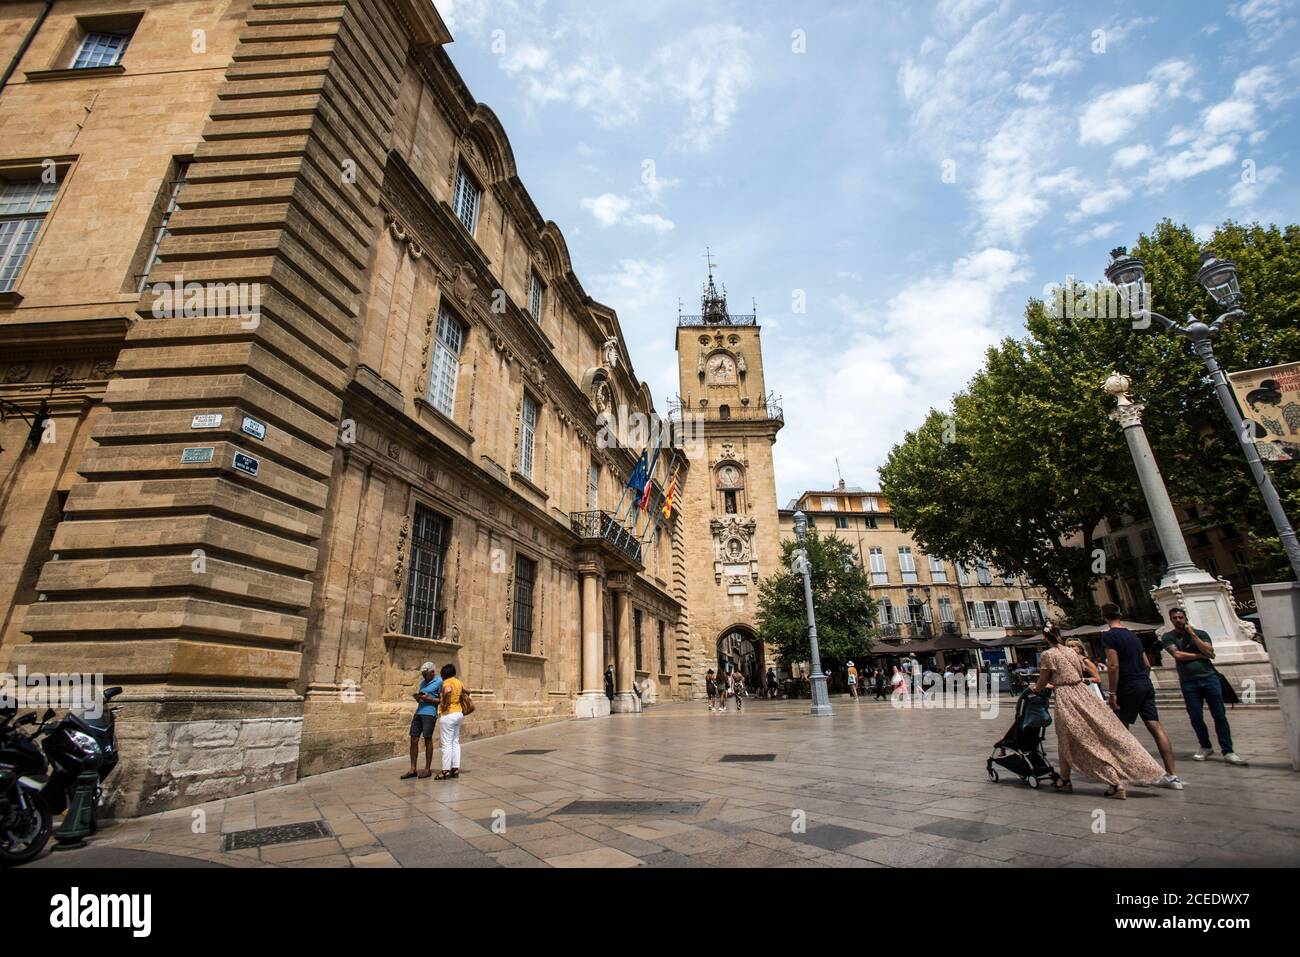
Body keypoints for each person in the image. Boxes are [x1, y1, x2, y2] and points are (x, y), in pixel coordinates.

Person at [1032, 623, 1164, 799]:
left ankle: (1114, 782)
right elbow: (1081, 672)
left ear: (1045, 638)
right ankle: (1065, 779)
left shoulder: (1048, 654)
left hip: (1067, 697)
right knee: (1081, 736)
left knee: (1082, 739)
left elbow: (1043, 680)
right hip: (1083, 693)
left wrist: (1036, 688)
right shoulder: (1072, 652)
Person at [1100, 603, 1182, 789]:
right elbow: (1146, 664)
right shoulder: (1132, 635)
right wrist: (1141, 679)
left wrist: (1112, 693)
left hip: (1127, 685)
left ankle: (1131, 771)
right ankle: (1172, 775)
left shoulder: (1109, 636)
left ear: (1103, 616)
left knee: (1122, 731)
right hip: (1144, 683)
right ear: (1120, 614)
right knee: (1156, 728)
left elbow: (1113, 666)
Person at [1160, 607, 1246, 765]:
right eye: (1174, 618)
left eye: (1180, 617)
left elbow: (1210, 650)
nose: (1178, 620)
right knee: (1195, 716)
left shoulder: (1200, 633)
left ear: (1185, 618)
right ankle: (1205, 746)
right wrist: (1200, 655)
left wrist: (1193, 635)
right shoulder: (1168, 637)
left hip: (1209, 678)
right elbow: (1178, 655)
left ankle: (1228, 750)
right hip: (1188, 682)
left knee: (1219, 715)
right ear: (1171, 620)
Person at [402, 662, 442, 780]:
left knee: (427, 739)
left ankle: (427, 769)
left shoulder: (439, 682)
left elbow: (442, 700)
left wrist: (428, 698)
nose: (424, 677)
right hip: (419, 712)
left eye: (426, 674)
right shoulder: (423, 683)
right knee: (413, 738)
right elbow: (421, 700)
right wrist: (418, 698)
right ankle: (412, 769)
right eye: (423, 674)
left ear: (432, 672)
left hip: (430, 714)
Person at [434, 663, 465, 780]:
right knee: (455, 742)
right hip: (459, 713)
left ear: (444, 674)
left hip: (449, 714)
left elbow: (447, 691)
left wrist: (446, 703)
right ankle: (455, 768)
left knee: (446, 744)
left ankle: (445, 770)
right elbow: (467, 690)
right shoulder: (458, 682)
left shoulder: (447, 682)